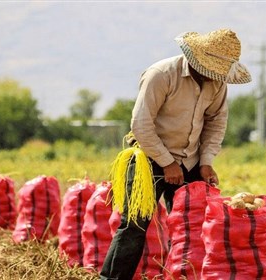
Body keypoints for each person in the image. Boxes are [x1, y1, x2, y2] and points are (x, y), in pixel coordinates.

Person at [100, 28, 251, 280]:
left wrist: (206, 162)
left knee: (192, 226)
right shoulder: (161, 75)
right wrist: (167, 163)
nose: (213, 75)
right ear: (195, 59)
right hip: (148, 156)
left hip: (190, 160)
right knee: (135, 224)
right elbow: (141, 124)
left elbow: (216, 123)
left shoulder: (217, 82)